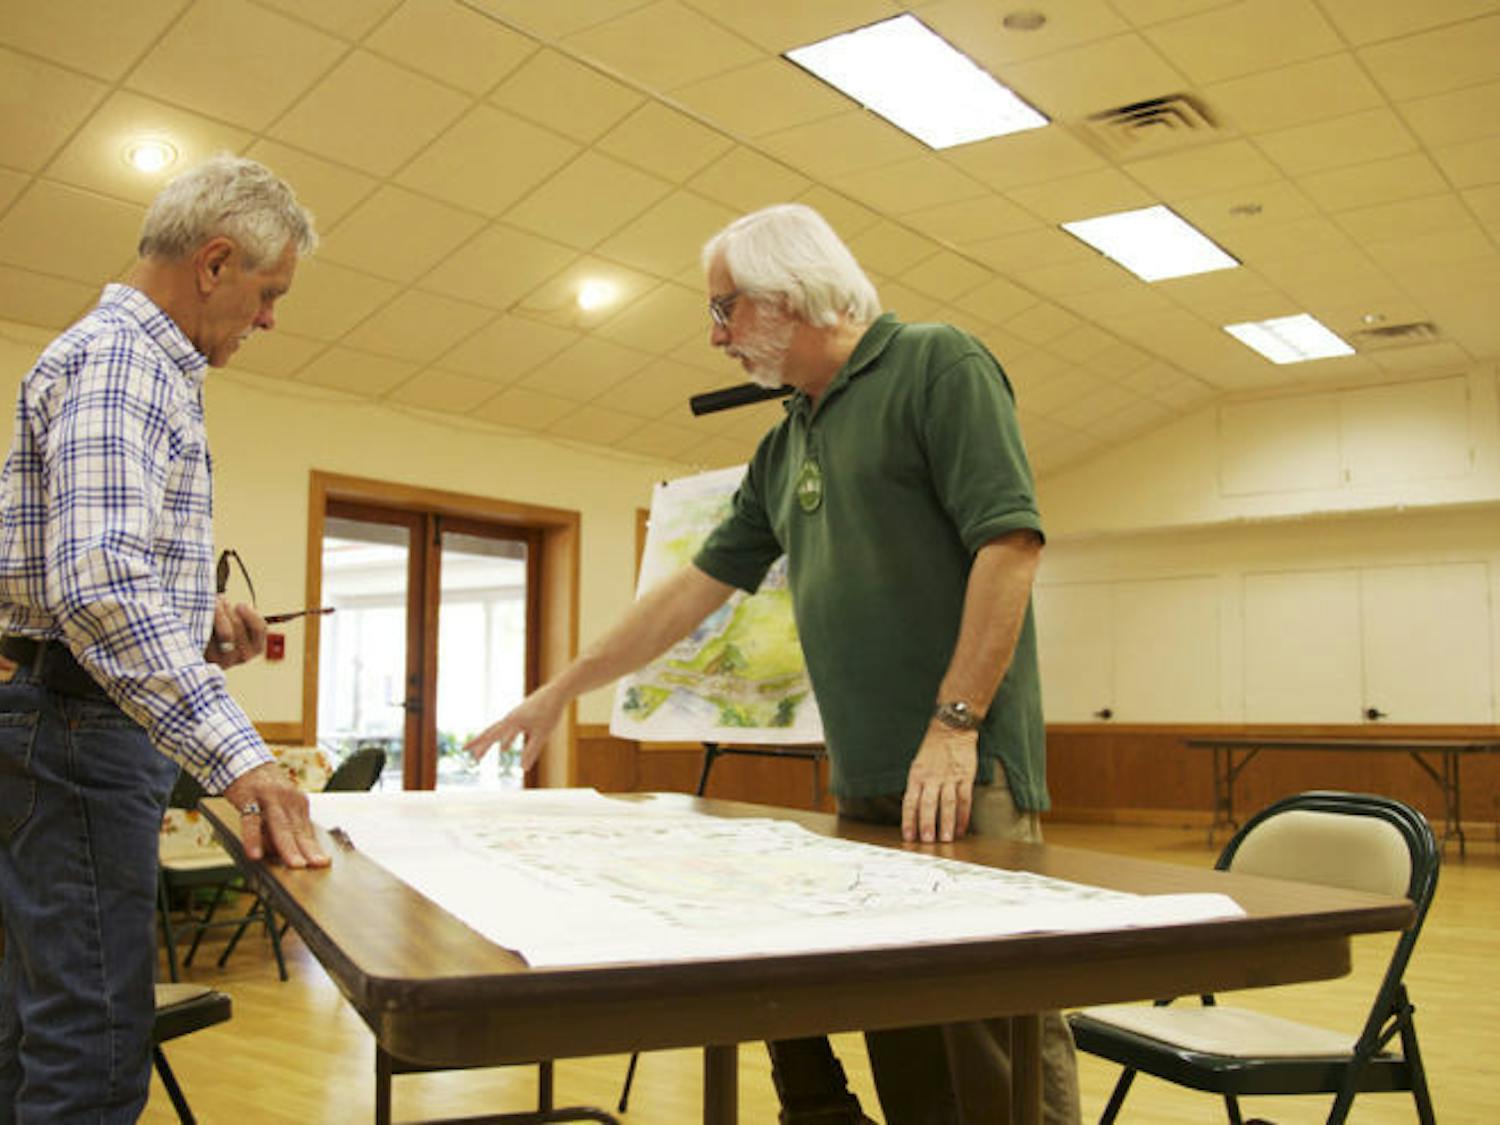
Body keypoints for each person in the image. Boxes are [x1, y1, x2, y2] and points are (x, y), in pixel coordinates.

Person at [467, 202, 1080, 1124]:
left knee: (997, 1039)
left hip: (963, 768)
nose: (715, 336)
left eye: (726, 309)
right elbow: (691, 591)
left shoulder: (935, 363)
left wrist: (954, 728)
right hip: (872, 778)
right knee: (900, 1026)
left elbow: (1011, 544)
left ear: (792, 295)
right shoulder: (786, 437)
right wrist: (563, 688)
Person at [0, 154, 330, 1122]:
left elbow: (74, 576)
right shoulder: (127, 359)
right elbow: (99, 584)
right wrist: (242, 758)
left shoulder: (111, 357)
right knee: (90, 1056)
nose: (268, 318)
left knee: (31, 1032)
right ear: (216, 262)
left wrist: (194, 616)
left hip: (55, 720)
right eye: (268, 293)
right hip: (80, 736)